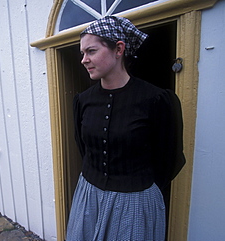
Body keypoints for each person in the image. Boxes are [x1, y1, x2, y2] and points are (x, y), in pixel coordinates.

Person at [66, 16, 186, 240]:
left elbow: (170, 159)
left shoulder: (156, 99)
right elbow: (84, 147)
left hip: (135, 203)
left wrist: (136, 189)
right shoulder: (83, 101)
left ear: (118, 49)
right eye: (82, 53)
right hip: (88, 197)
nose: (83, 60)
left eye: (91, 51)